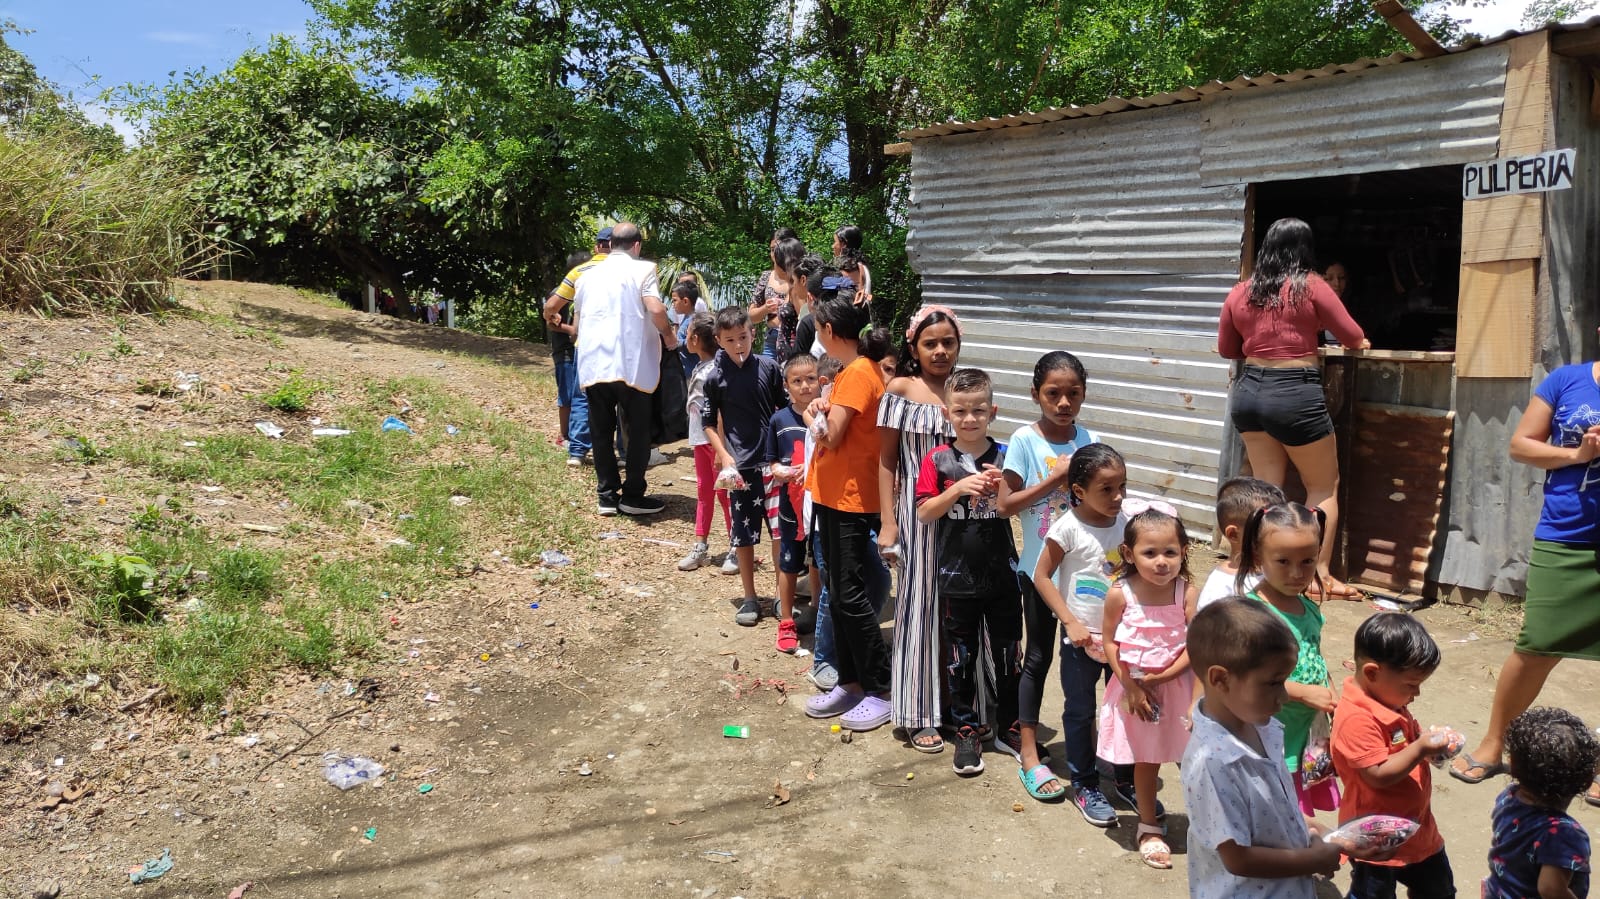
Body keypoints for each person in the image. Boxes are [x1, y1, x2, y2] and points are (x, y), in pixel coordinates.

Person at [1452, 345, 1600, 810]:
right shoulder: (1567, 380)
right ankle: (1496, 744)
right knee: (1536, 646)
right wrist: (1579, 452)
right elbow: (1521, 445)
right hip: (1569, 538)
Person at [1218, 217, 1370, 598]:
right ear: (1305, 250)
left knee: (1268, 489)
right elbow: (1351, 336)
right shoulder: (1311, 286)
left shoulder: (1241, 291)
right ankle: (1318, 574)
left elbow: (1227, 349)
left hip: (1249, 391)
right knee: (1321, 486)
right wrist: (1361, 342)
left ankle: (1258, 563)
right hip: (1295, 393)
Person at [1182, 598, 1346, 898]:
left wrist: (1307, 826)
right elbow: (1238, 858)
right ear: (1220, 679)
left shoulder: (1261, 725)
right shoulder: (1214, 762)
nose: (1284, 697)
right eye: (1273, 683)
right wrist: (1311, 860)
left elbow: (1271, 805)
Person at [913, 368, 1019, 776]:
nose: (970, 418)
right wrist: (956, 489)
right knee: (960, 659)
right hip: (955, 577)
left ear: (992, 411)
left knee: (1010, 655)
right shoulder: (936, 459)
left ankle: (1009, 726)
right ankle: (966, 730)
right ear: (947, 413)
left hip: (1004, 575)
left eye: (978, 410)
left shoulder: (1008, 455)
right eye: (961, 411)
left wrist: (1001, 488)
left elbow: (1023, 503)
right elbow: (924, 512)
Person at [1001, 352, 1098, 785]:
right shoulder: (1024, 440)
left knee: (1084, 661)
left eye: (1072, 394)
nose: (1063, 403)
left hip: (1082, 575)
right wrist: (1055, 479)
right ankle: (1027, 749)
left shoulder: (1090, 439)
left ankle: (1090, 748)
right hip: (1038, 572)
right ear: (1035, 394)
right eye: (1053, 394)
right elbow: (1005, 505)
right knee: (1037, 656)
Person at [802, 293, 895, 732]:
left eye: (819, 329)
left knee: (850, 594)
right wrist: (823, 402)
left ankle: (880, 688)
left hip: (851, 499)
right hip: (836, 495)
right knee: (839, 593)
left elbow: (832, 437)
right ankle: (850, 681)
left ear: (829, 332)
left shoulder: (858, 372)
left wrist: (810, 417)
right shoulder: (854, 371)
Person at [1023, 443, 1131, 818]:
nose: (1118, 497)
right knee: (1081, 711)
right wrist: (1069, 620)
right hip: (1081, 640)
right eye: (1107, 489)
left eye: (1122, 487)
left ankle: (1126, 779)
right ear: (1079, 491)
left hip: (1123, 639)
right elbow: (1041, 576)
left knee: (1124, 708)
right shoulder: (1066, 528)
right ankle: (1084, 784)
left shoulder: (1127, 523)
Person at [548, 222, 679, 516]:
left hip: (595, 364)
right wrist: (670, 338)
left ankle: (606, 496)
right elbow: (656, 309)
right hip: (633, 365)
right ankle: (633, 495)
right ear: (636, 246)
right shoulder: (643, 269)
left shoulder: (586, 276)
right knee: (637, 431)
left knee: (601, 430)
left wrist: (551, 317)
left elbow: (554, 306)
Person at [877, 304, 961, 753]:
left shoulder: (966, 389)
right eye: (931, 343)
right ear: (914, 346)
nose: (940, 351)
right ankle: (918, 712)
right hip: (916, 516)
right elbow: (886, 460)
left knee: (960, 609)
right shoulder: (901, 388)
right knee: (919, 607)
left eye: (948, 342)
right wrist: (888, 522)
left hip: (964, 518)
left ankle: (959, 708)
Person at [1098, 506, 1198, 870]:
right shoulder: (1119, 594)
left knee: (1193, 758)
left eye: (1170, 552)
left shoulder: (1187, 593)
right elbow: (1110, 643)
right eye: (1149, 553)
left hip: (1181, 689)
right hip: (1136, 692)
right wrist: (1132, 685)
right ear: (1128, 554)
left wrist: (1166, 676)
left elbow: (1199, 644)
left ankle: (1207, 823)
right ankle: (1149, 827)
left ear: (1184, 551)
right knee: (1147, 759)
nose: (1161, 562)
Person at [1330, 612, 1455, 899]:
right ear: (1372, 673)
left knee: (1439, 891)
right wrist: (1420, 748)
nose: (1418, 693)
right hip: (1376, 836)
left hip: (1419, 829)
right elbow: (1377, 775)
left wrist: (1431, 749)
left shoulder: (1388, 699)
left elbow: (1403, 743)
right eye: (1411, 685)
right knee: (1373, 894)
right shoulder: (1356, 719)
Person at [1237, 501, 1340, 816]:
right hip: (1270, 731)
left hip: (1306, 730)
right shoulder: (1253, 613)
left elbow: (1315, 656)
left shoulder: (1308, 608)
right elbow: (1248, 681)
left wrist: (1333, 697)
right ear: (1258, 557)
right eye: (1283, 561)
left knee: (1296, 807)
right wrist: (1304, 692)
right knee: (1274, 806)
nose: (1297, 573)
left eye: (1308, 561)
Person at [702, 306, 787, 627]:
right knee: (744, 536)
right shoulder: (714, 378)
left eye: (743, 336)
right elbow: (708, 423)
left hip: (773, 466)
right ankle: (750, 597)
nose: (738, 344)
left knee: (780, 533)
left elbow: (783, 409)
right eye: (730, 339)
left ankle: (782, 594)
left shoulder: (769, 368)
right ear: (718, 340)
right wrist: (723, 455)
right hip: (740, 471)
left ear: (754, 334)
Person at [1485, 706, 1598, 899]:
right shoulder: (1564, 834)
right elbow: (1551, 890)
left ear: (1512, 766)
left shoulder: (1509, 797)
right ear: (1587, 781)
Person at [547, 227, 614, 467]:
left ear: (598, 247)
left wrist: (552, 319)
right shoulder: (626, 272)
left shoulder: (577, 276)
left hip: (582, 348)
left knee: (580, 397)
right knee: (618, 399)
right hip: (612, 348)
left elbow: (551, 309)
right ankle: (619, 451)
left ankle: (576, 449)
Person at [768, 353, 820, 653]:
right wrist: (785, 472)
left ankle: (815, 611)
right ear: (786, 385)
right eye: (797, 381)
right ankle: (786, 620)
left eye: (810, 379)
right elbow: (772, 463)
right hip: (791, 507)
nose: (804, 386)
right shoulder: (779, 420)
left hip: (821, 506)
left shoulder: (827, 417)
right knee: (789, 563)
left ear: (820, 381)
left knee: (817, 562)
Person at [678, 312, 734, 574]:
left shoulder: (715, 371)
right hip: (701, 442)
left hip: (713, 444)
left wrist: (720, 449)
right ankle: (700, 545)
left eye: (688, 331)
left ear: (697, 339)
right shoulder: (701, 367)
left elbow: (720, 411)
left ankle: (737, 546)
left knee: (724, 494)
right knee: (704, 493)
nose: (685, 336)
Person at [1198, 477, 1288, 610]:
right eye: (1263, 530)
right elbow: (1208, 628)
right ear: (1234, 534)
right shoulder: (1221, 586)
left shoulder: (1275, 572)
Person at [548, 250, 592, 463]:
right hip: (565, 350)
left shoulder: (582, 292)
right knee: (567, 395)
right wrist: (573, 330)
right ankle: (564, 436)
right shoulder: (561, 293)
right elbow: (551, 322)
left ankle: (576, 435)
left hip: (579, 349)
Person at [752, 232, 804, 360]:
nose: (774, 254)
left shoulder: (800, 282)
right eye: (772, 250)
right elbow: (751, 316)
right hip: (773, 338)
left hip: (794, 340)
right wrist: (766, 308)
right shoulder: (766, 277)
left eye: (778, 249)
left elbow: (805, 317)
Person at [670, 281, 703, 381]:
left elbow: (694, 343)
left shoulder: (693, 321)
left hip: (691, 374)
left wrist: (675, 343)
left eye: (674, 300)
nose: (673, 304)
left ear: (685, 301)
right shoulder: (686, 319)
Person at [833, 224, 871, 307]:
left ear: (843, 244)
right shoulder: (862, 266)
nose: (833, 246)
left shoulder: (848, 269)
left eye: (835, 242)